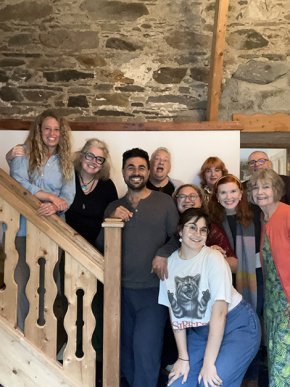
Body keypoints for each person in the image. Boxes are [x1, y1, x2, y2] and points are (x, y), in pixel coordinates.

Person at [100, 148, 179, 387]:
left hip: (152, 291)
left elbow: (178, 237)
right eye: (131, 168)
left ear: (148, 171)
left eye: (141, 167)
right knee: (124, 355)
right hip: (118, 292)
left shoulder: (164, 202)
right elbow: (100, 246)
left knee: (146, 352)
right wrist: (112, 219)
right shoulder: (113, 206)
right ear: (123, 172)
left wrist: (162, 253)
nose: (136, 172)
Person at [158, 208, 261, 387]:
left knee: (211, 382)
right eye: (192, 228)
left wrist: (208, 363)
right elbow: (175, 313)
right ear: (180, 230)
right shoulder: (170, 264)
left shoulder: (214, 258)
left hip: (237, 325)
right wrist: (183, 357)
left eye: (203, 229)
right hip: (200, 331)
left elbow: (219, 314)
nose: (197, 234)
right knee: (177, 383)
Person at [6, 109, 75, 331]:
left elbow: (68, 196)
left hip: (52, 233)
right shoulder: (21, 153)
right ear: (38, 130)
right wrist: (48, 197)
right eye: (47, 128)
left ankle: (45, 339)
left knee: (48, 289)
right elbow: (18, 183)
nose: (52, 134)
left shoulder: (65, 161)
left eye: (56, 129)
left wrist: (55, 205)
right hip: (22, 231)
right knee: (21, 285)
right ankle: (22, 337)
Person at [208, 174, 263, 386]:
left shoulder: (255, 214)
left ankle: (251, 381)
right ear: (217, 196)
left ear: (241, 194)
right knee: (226, 331)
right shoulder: (212, 221)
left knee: (251, 331)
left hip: (254, 281)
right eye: (223, 192)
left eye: (233, 191)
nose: (229, 196)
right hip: (224, 282)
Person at [248, 168, 290, 386]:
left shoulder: (287, 214)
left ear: (276, 190)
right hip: (274, 299)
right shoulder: (265, 219)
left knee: (284, 358)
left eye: (265, 187)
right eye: (255, 187)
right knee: (276, 352)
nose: (260, 192)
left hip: (287, 300)